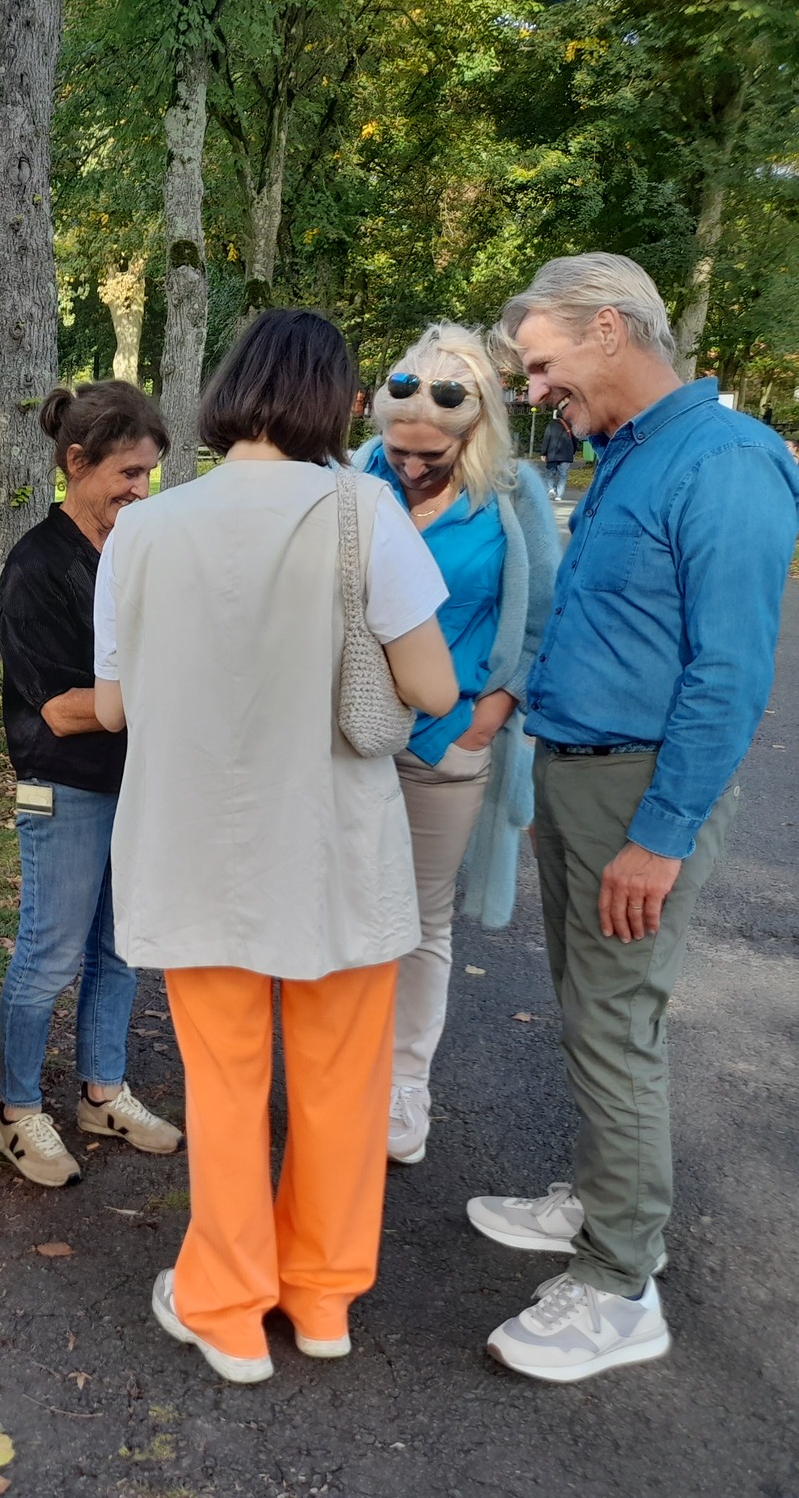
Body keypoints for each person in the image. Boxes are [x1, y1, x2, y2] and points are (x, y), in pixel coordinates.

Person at [92, 310, 459, 1383]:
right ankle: (322, 1297)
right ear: (334, 400)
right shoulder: (366, 511)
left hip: (196, 840)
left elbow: (113, 707)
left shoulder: (146, 527)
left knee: (221, 1080)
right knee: (344, 1079)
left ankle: (225, 1305)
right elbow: (430, 687)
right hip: (335, 846)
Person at [472, 253, 799, 1382]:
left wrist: (659, 835)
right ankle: (600, 1198)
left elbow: (728, 673)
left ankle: (618, 1284)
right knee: (587, 1008)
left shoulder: (726, 462)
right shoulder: (631, 454)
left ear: (608, 329)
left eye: (543, 362)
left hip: (639, 790)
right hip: (578, 773)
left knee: (615, 1023)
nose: (533, 388)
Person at [357, 324, 560, 1166]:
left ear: (474, 430)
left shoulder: (513, 499)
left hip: (448, 742)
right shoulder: (356, 474)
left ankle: (407, 1085)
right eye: (399, 447)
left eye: (431, 452)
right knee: (347, 911)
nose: (409, 464)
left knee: (421, 923)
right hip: (351, 736)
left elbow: (547, 617)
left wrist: (493, 711)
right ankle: (347, 1074)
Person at [0, 379, 184, 1190]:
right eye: (128, 474)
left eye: (148, 475)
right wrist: (173, 693)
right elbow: (63, 713)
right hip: (63, 788)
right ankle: (16, 1109)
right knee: (49, 953)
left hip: (135, 784)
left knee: (119, 949)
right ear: (77, 462)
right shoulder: (36, 566)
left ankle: (103, 1092)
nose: (141, 491)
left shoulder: (137, 555)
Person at [540, 409, 577, 502]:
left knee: (550, 473)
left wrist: (543, 453)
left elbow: (546, 438)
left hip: (552, 454)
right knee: (563, 475)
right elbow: (575, 441)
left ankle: (551, 489)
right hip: (566, 455)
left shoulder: (551, 425)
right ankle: (559, 495)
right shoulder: (570, 426)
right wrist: (573, 452)